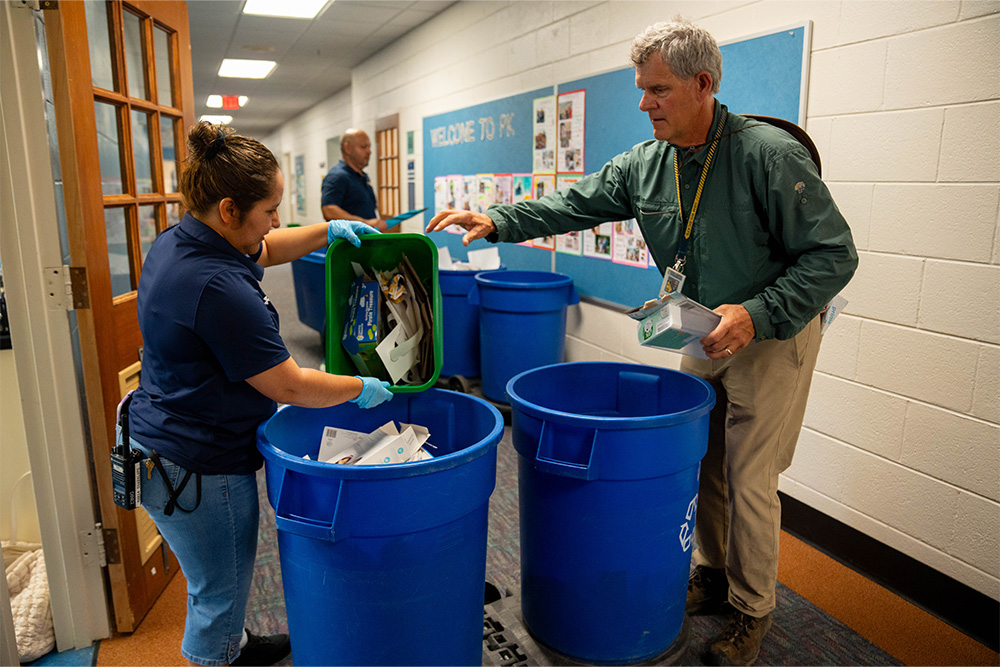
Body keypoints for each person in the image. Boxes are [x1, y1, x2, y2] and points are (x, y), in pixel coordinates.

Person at [426, 17, 857, 667]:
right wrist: (497, 219)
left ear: (702, 84)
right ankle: (711, 571)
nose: (642, 103)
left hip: (771, 333)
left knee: (748, 475)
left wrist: (759, 311)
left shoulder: (769, 155)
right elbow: (575, 205)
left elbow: (832, 257)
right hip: (698, 324)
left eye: (657, 90)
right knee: (700, 461)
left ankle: (752, 609)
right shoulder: (647, 165)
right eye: (641, 88)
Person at [127, 121, 393, 667]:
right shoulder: (216, 287)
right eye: (269, 209)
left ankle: (239, 645)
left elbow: (266, 250)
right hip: (197, 466)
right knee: (217, 596)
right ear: (228, 209)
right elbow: (290, 385)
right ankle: (219, 651)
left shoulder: (181, 240)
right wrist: (361, 387)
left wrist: (328, 233)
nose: (276, 221)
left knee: (215, 581)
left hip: (162, 440)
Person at [321, 128, 386, 231]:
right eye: (363, 147)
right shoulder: (337, 176)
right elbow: (329, 210)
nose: (369, 151)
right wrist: (365, 223)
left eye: (369, 147)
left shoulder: (362, 176)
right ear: (347, 148)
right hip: (349, 245)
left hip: (366, 243)